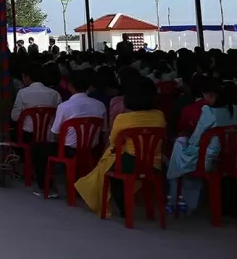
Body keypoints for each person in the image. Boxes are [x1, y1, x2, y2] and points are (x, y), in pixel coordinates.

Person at [75, 76, 166, 216]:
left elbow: (113, 141)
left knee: (109, 166)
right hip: (154, 163)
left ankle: (123, 207)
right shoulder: (159, 116)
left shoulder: (123, 119)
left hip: (131, 161)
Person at [31, 69, 107, 198]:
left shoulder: (65, 106)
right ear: (89, 86)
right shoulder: (100, 105)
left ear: (70, 86)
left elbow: (55, 133)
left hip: (68, 149)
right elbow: (104, 131)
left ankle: (47, 188)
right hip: (92, 149)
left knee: (38, 149)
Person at [166, 78, 236, 213]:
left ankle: (174, 200)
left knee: (178, 149)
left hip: (209, 158)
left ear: (212, 96)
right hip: (231, 157)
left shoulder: (208, 111)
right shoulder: (235, 110)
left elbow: (195, 139)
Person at [10, 68, 61, 139]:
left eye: (23, 76)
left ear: (28, 77)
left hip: (28, 136)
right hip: (49, 136)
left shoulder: (22, 93)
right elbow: (59, 118)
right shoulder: (55, 94)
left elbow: (14, 117)